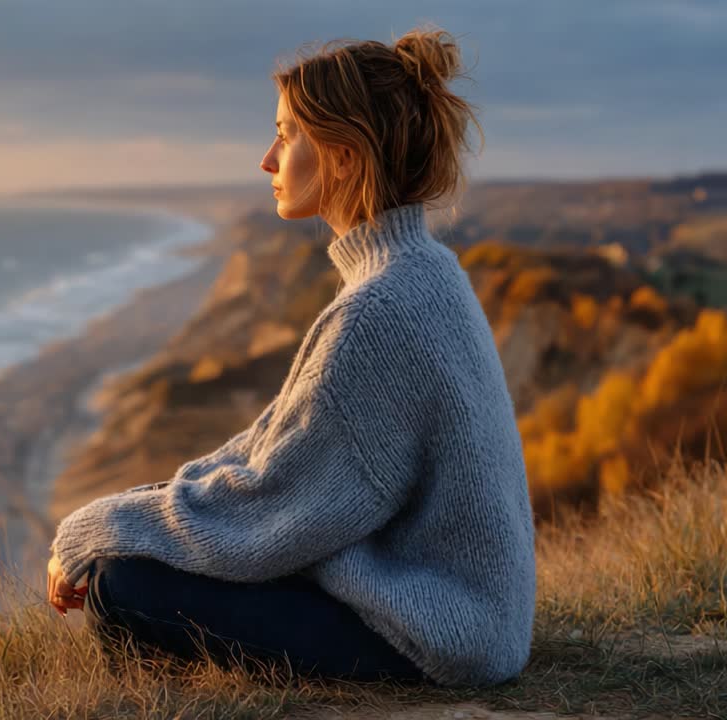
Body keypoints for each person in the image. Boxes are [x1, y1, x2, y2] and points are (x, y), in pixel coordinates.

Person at [46, 23, 536, 687]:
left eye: (287, 134)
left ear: (343, 156)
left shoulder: (378, 310)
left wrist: (94, 530)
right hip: (470, 620)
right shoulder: (423, 271)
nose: (268, 159)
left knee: (120, 585)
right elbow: (268, 446)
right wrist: (125, 510)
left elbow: (264, 509)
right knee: (129, 557)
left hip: (440, 639)